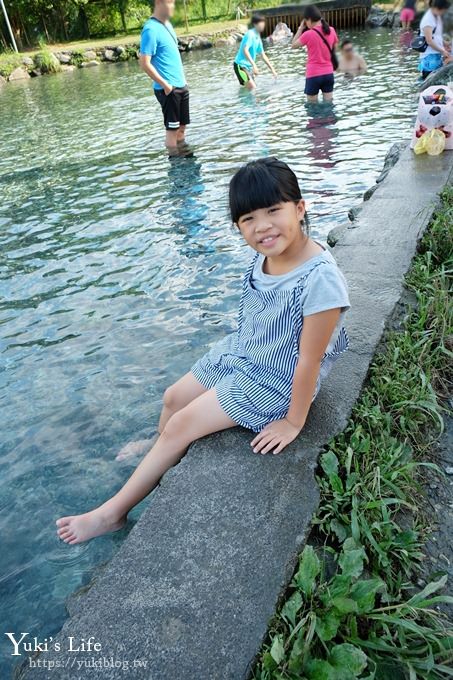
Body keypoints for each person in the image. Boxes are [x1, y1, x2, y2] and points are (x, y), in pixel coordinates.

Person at [56, 157, 351, 545]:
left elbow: (309, 359)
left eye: (273, 211)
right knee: (173, 398)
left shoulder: (320, 278)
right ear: (237, 226)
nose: (262, 226)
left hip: (276, 378)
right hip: (246, 349)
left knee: (182, 424)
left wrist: (294, 421)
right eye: (248, 219)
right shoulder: (268, 253)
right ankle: (160, 448)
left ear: (300, 208)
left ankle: (113, 513)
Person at [139, 0, 189, 151]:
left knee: (181, 129)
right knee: (172, 131)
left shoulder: (167, 25)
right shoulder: (150, 29)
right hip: (168, 89)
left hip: (180, 85)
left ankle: (185, 162)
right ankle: (176, 169)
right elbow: (144, 62)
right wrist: (166, 85)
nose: (173, 6)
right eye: (170, 3)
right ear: (159, 2)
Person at [291, 5, 339, 102]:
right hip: (328, 73)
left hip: (313, 75)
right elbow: (335, 48)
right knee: (329, 105)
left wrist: (300, 28)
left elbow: (293, 45)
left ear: (308, 20)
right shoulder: (332, 30)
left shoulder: (308, 34)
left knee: (312, 108)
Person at [233, 14, 277, 90]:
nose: (263, 25)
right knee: (253, 88)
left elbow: (263, 55)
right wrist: (254, 65)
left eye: (263, 22)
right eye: (261, 23)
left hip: (249, 67)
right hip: (240, 66)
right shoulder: (250, 34)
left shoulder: (257, 37)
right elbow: (245, 50)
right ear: (255, 24)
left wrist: (272, 69)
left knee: (251, 90)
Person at [418, 0, 451, 80]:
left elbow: (436, 36)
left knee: (437, 77)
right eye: (443, 11)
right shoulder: (428, 20)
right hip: (429, 57)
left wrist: (444, 43)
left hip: (436, 54)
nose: (443, 13)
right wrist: (442, 51)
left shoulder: (436, 17)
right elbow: (429, 41)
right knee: (429, 79)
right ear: (438, 8)